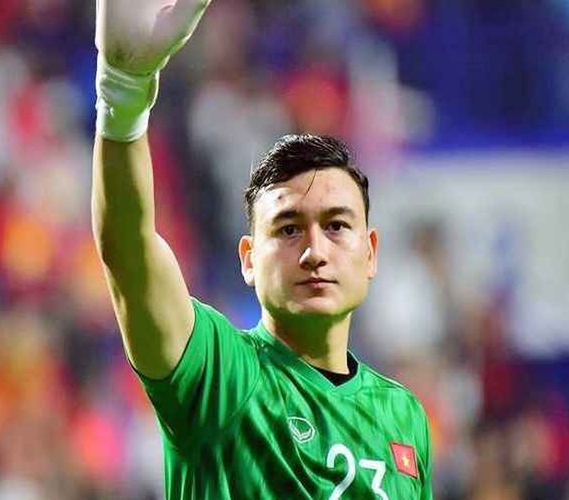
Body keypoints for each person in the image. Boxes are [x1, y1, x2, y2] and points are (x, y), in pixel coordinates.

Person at [91, 1, 433, 498]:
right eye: (289, 229)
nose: (314, 251)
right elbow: (129, 253)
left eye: (337, 226)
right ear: (249, 258)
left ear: (371, 253)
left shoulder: (405, 417)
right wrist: (122, 94)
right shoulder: (222, 374)